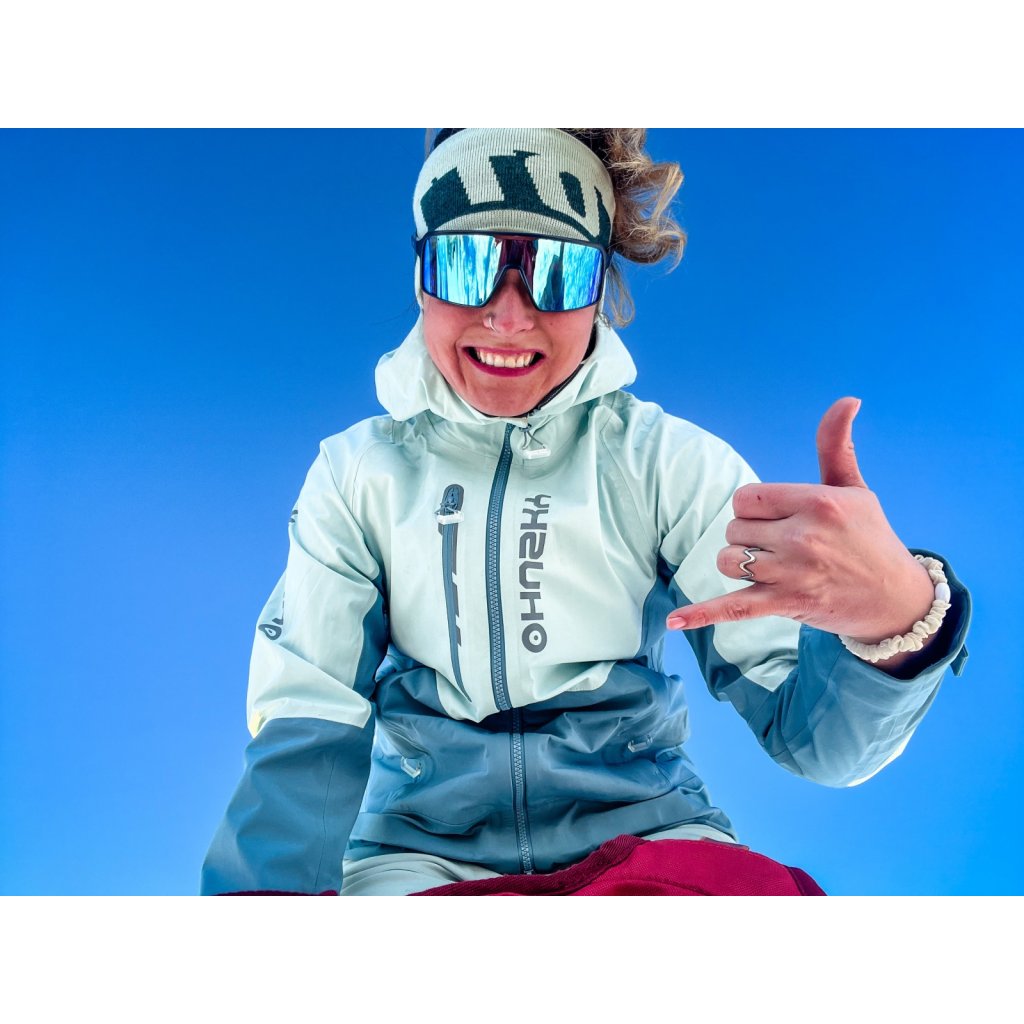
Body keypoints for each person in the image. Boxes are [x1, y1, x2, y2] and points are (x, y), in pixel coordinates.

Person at [200, 129, 971, 896]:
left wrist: (894, 620)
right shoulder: (358, 474)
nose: (508, 317)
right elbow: (311, 710)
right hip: (417, 850)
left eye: (557, 271)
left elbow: (820, 745)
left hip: (649, 833)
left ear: (599, 287)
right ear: (421, 275)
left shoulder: (666, 465)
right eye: (465, 265)